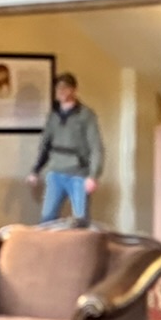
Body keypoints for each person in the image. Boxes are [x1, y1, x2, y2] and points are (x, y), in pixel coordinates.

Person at [28, 73, 104, 224]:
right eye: (59, 88)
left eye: (66, 88)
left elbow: (96, 146)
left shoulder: (86, 115)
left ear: (74, 90)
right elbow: (45, 144)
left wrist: (93, 175)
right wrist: (35, 170)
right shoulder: (53, 115)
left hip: (78, 174)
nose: (62, 91)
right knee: (47, 218)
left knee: (81, 220)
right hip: (55, 172)